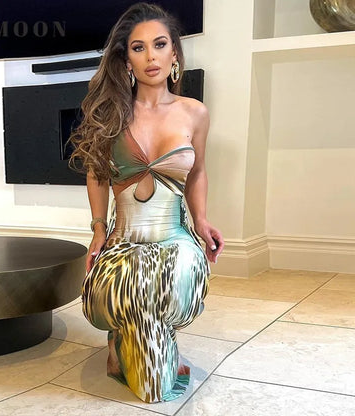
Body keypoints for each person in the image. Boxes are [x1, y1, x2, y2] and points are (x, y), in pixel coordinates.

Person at [68, 2, 224, 403]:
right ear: (127, 60)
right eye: (138, 48)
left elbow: (198, 172)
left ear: (175, 54)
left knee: (169, 276)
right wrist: (98, 230)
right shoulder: (110, 113)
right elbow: (97, 174)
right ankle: (138, 348)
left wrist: (202, 221)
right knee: (137, 277)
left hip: (174, 237)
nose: (151, 56)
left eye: (160, 44)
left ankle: (137, 348)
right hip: (124, 242)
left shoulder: (195, 113)